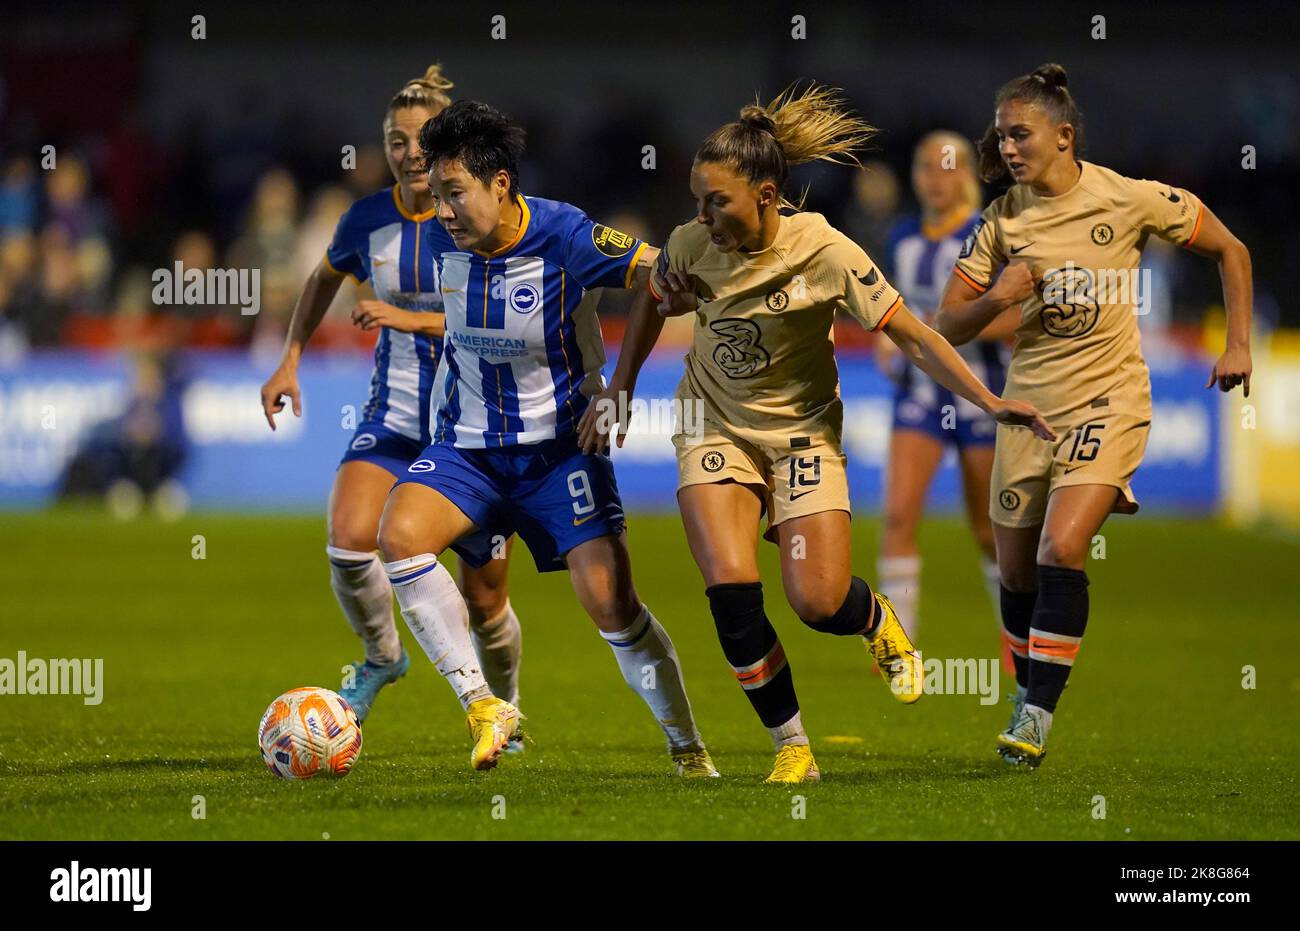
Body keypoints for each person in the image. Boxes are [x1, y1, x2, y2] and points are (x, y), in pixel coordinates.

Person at [581, 84, 1052, 783]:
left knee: (816, 600)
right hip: (711, 422)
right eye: (697, 200)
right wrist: (620, 388)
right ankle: (792, 745)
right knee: (732, 590)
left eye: (719, 202)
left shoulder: (825, 250)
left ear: (767, 195)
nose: (703, 217)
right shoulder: (688, 245)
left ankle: (872, 618)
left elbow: (914, 336)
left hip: (802, 435)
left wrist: (988, 397)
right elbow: (652, 298)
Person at [375, 100, 717, 776]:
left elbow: (657, 273)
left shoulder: (565, 235)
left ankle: (687, 745)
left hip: (561, 453)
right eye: (435, 195)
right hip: (467, 449)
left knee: (611, 606)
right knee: (402, 541)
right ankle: (485, 706)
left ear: (499, 185)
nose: (441, 211)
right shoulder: (442, 240)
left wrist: (620, 383)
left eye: (454, 194)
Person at [935, 63, 1253, 767]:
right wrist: (996, 298)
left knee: (1061, 549)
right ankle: (1029, 693)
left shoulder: (1130, 199)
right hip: (1027, 411)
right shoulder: (1001, 220)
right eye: (1001, 136)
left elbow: (1231, 248)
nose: (1008, 148)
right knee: (1016, 574)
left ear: (1064, 134)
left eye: (1021, 134)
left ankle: (1036, 718)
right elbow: (944, 325)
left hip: (1111, 401)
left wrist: (1236, 343)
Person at [259, 66, 524, 732]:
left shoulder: (479, 220)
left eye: (421, 138)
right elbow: (323, 278)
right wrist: (289, 358)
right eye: (395, 139)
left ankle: (508, 705)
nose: (408, 152)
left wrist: (412, 318)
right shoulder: (367, 220)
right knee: (350, 542)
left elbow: (502, 316)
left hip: (474, 426)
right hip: (395, 414)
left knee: (487, 602)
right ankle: (382, 657)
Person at [876, 131, 1014, 670]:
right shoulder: (902, 236)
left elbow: (1017, 314)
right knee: (897, 516)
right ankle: (899, 644)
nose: (938, 178)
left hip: (981, 394)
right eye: (927, 167)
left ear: (969, 175)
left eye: (948, 167)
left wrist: (953, 333)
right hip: (920, 394)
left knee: (986, 527)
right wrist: (893, 344)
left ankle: (1014, 633)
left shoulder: (987, 237)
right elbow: (891, 305)